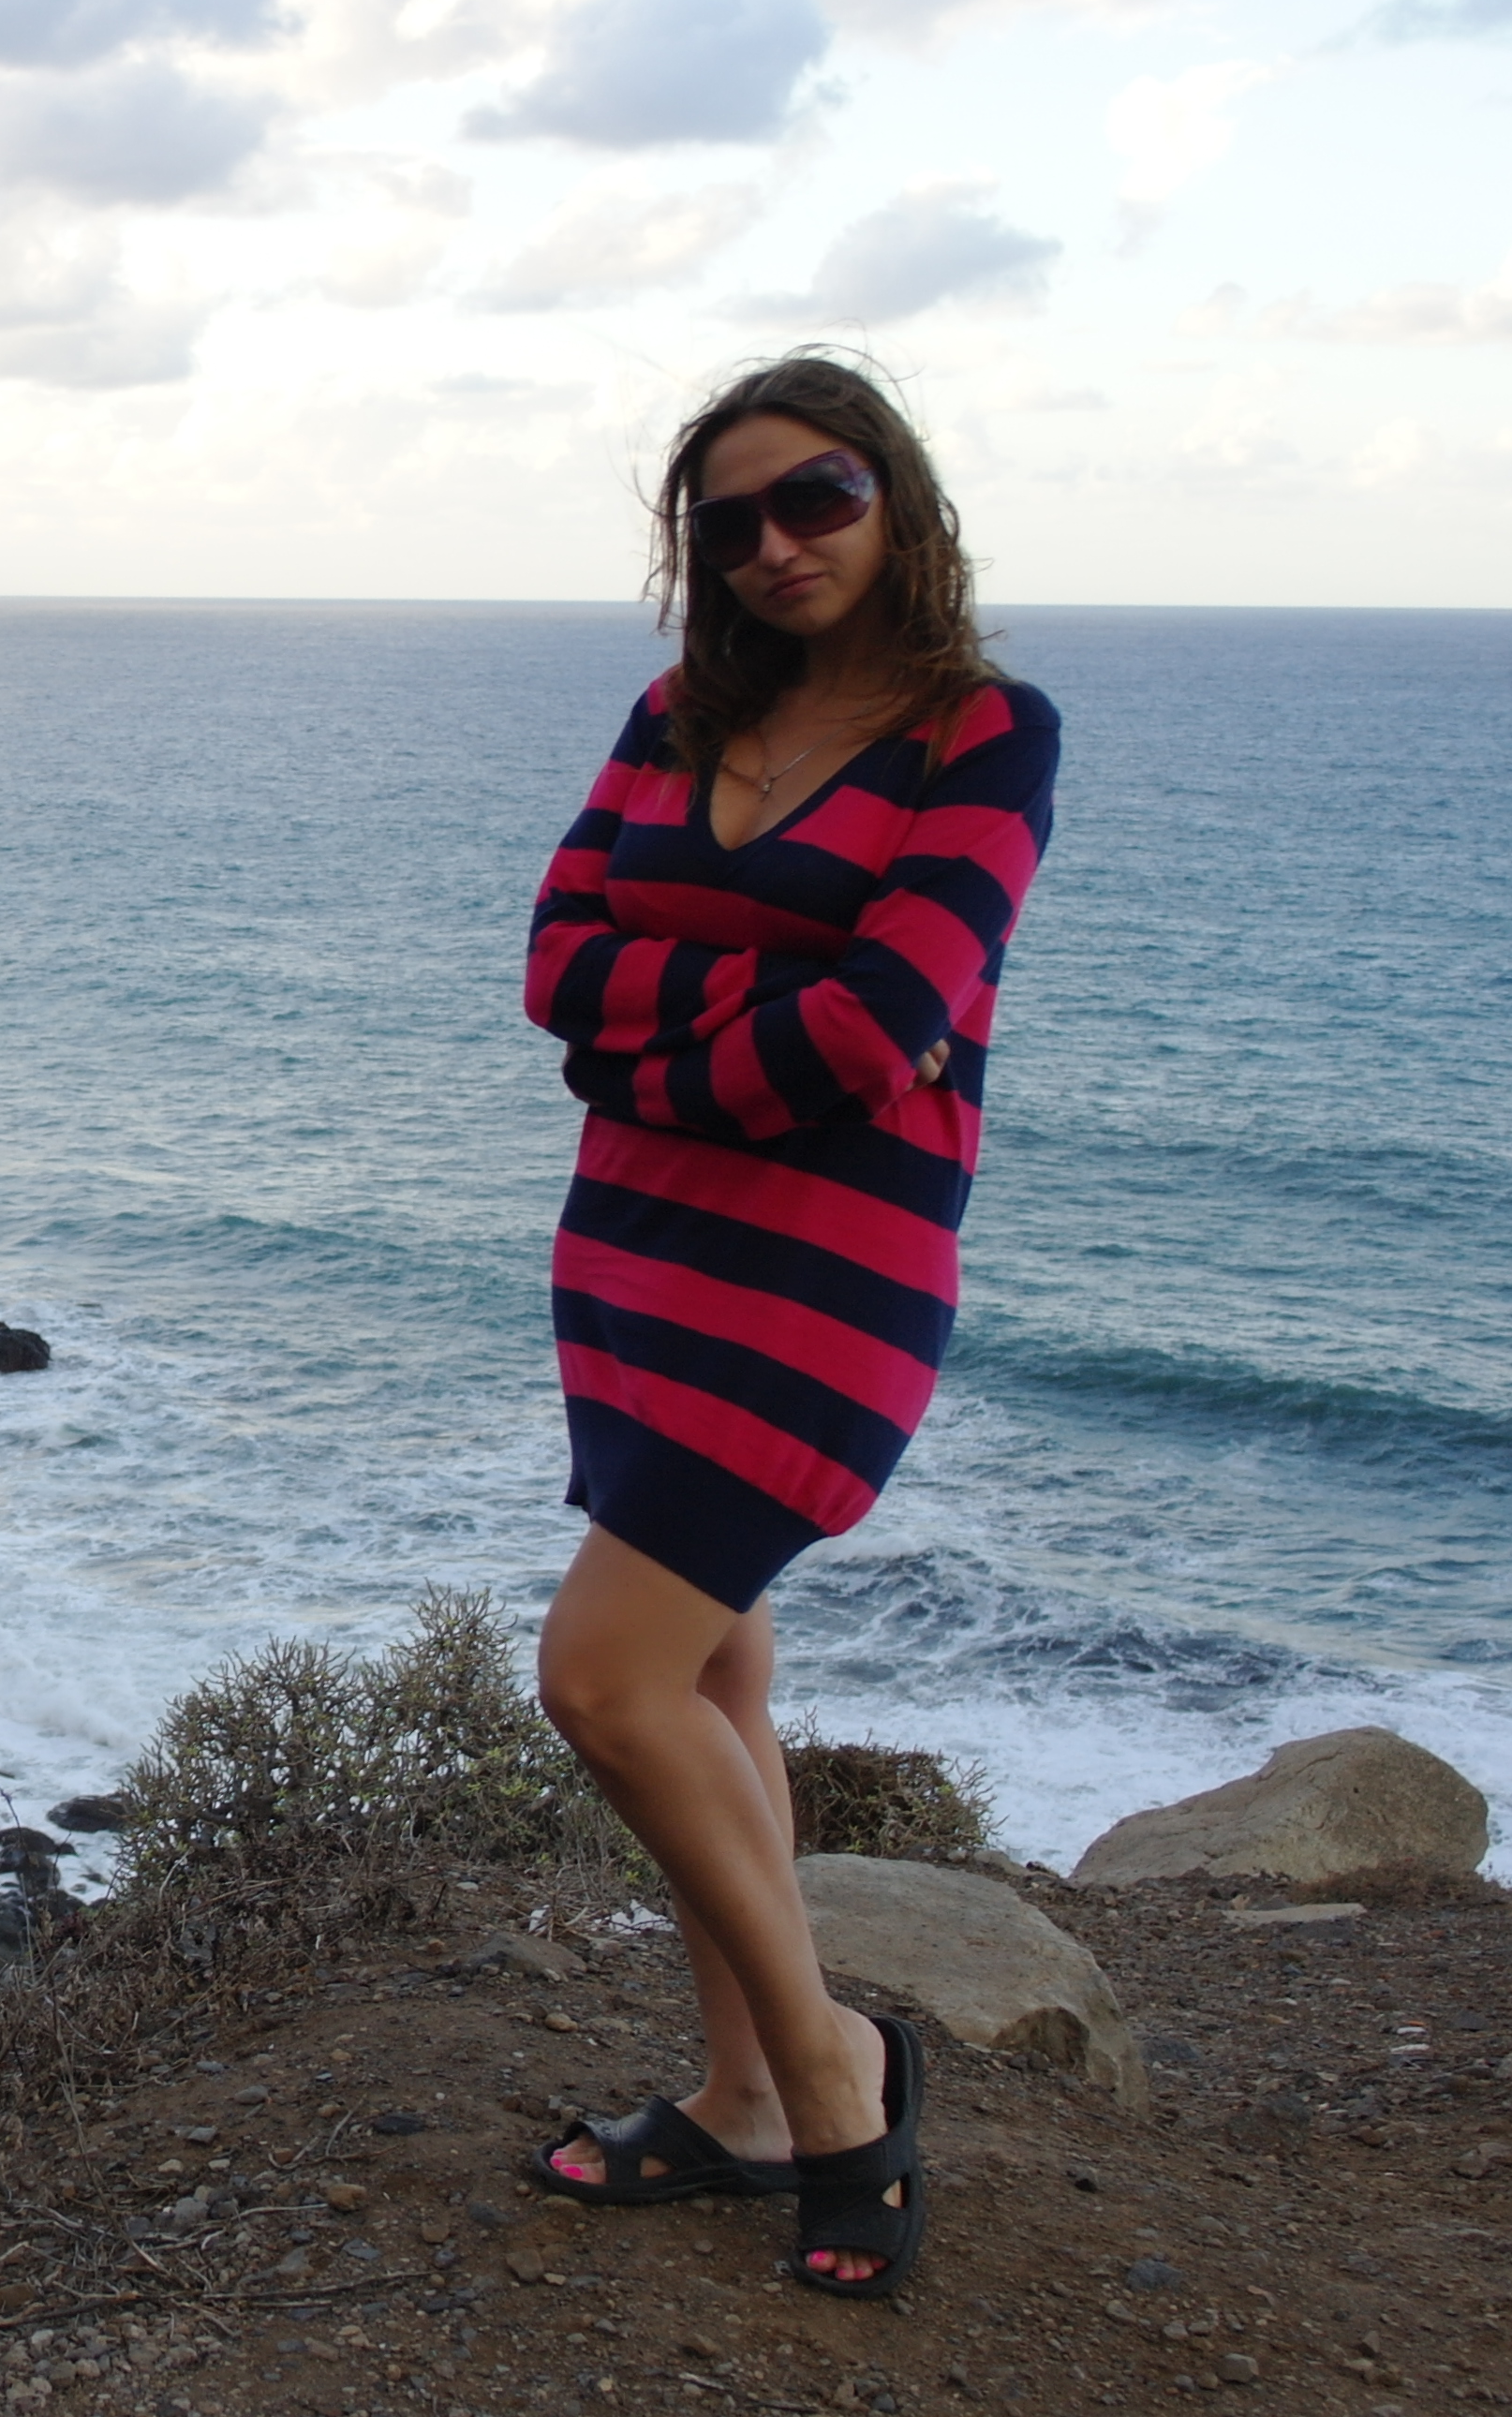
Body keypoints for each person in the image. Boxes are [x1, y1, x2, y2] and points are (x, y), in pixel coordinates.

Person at [514, 352, 1059, 2297]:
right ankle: (743, 2098)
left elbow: (879, 1022)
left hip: (826, 1283)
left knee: (605, 1681)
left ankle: (838, 2077)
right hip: (636, 1257)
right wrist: (749, 1033)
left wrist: (655, 1051)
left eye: (814, 494)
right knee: (716, 1674)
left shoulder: (981, 732)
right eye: (727, 519)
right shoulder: (678, 715)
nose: (773, 542)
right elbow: (555, 966)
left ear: (894, 496)